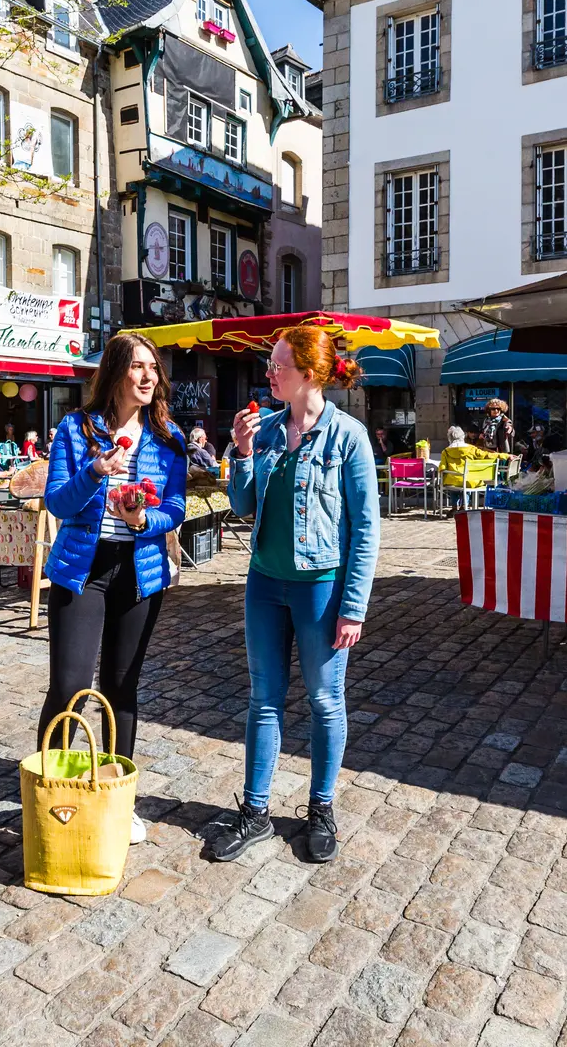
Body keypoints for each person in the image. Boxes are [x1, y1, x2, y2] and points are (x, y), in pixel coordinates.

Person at [211, 326, 379, 865]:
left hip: (321, 587)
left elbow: (366, 529)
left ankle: (321, 808)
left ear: (307, 373)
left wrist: (353, 606)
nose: (269, 372)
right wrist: (239, 452)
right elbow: (241, 505)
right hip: (265, 582)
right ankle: (256, 812)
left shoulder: (348, 436)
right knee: (263, 698)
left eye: (278, 365)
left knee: (325, 700)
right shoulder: (264, 432)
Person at [40, 333, 187, 845]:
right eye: (139, 367)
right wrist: (94, 471)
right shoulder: (77, 430)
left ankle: (117, 799)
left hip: (140, 571)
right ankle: (52, 791)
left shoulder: (169, 439)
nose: (149, 377)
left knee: (121, 689)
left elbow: (176, 507)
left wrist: (144, 517)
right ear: (117, 372)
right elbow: (57, 502)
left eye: (154, 369)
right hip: (83, 570)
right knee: (69, 688)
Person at [438, 426, 510, 507]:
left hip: (453, 480)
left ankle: (454, 507)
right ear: (463, 436)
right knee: (468, 481)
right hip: (471, 480)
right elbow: (487, 455)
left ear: (449, 438)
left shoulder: (445, 452)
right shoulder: (472, 449)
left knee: (453, 487)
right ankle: (464, 505)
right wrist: (506, 456)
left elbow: (442, 468)